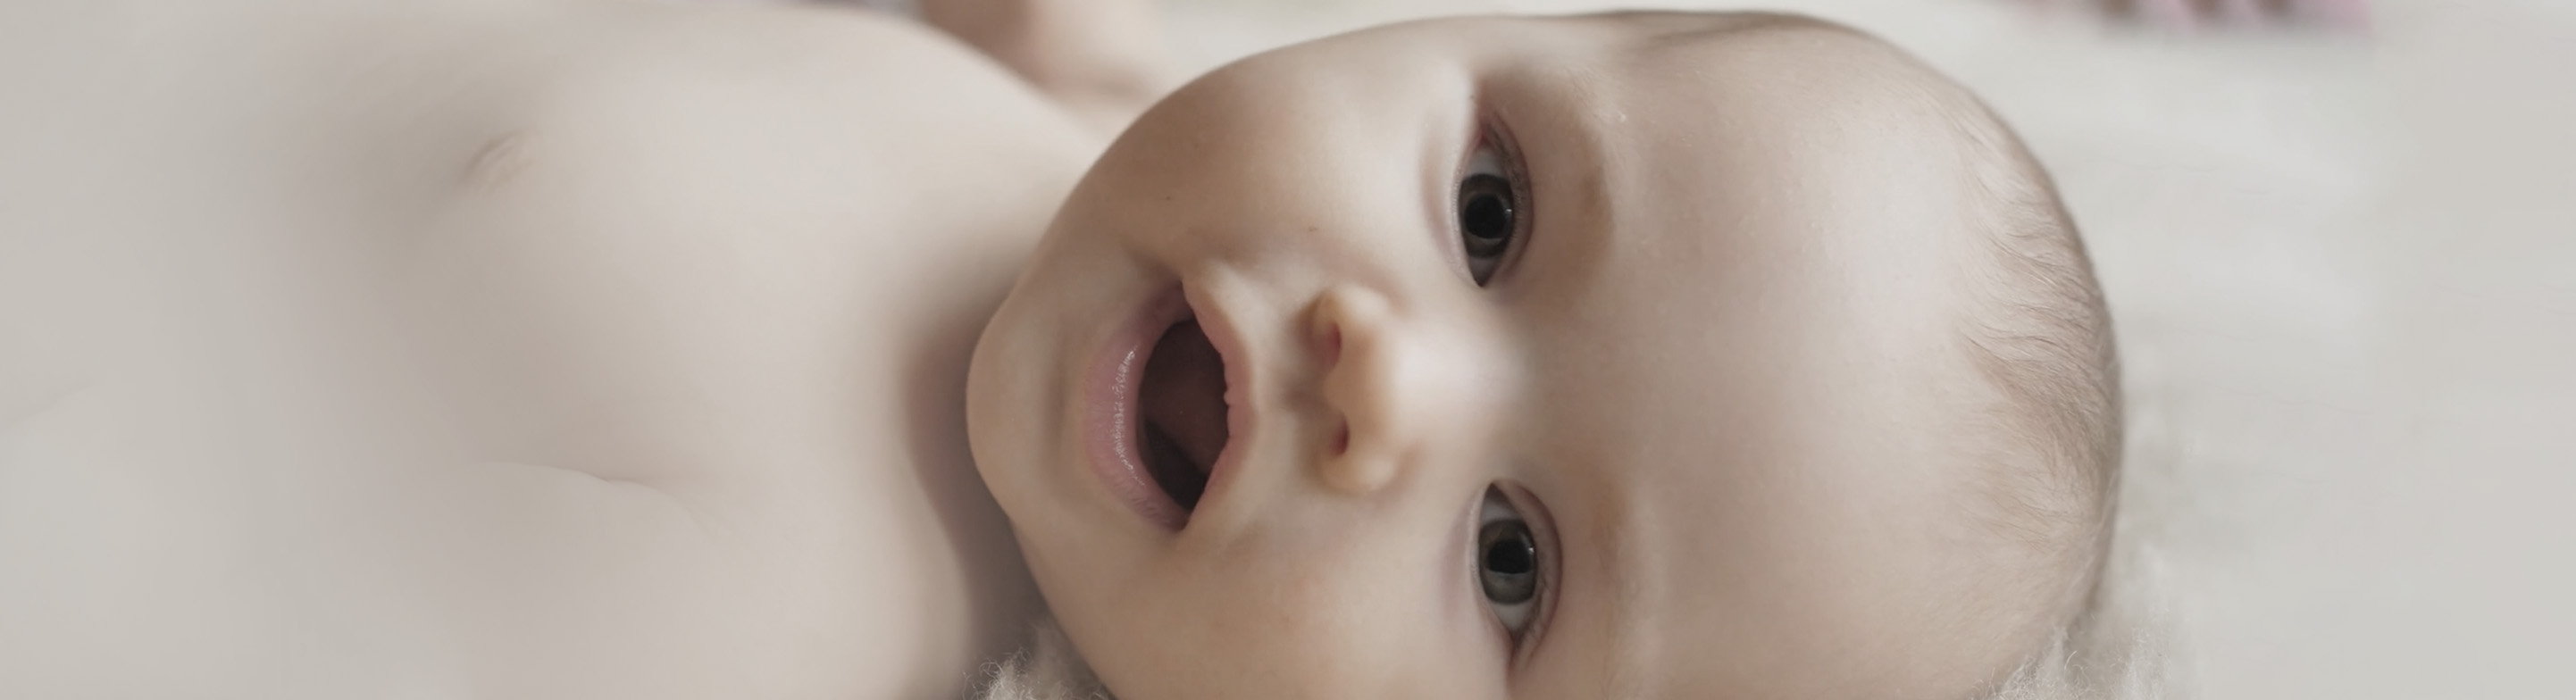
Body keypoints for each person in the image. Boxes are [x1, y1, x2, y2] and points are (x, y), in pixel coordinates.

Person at [0, 0, 2176, 698]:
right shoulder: (1077, 86)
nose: (1382, 376)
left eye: (1513, 565)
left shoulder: (780, 595)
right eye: (1492, 209)